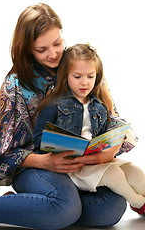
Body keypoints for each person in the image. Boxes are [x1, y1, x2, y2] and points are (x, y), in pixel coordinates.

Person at [0, 3, 137, 229]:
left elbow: (113, 118)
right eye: (41, 49)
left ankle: (34, 206)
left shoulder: (80, 66)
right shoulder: (15, 85)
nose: (53, 53)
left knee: (110, 209)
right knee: (65, 208)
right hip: (34, 167)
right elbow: (1, 153)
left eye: (57, 43)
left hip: (82, 168)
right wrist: (44, 161)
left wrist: (109, 151)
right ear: (27, 49)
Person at [33, 43, 145, 217]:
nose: (84, 82)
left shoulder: (99, 106)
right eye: (77, 76)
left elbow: (105, 136)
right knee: (114, 174)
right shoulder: (53, 104)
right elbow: (38, 138)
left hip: (95, 162)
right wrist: (61, 145)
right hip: (73, 167)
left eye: (90, 76)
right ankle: (139, 203)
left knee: (136, 172)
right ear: (66, 76)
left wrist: (107, 145)